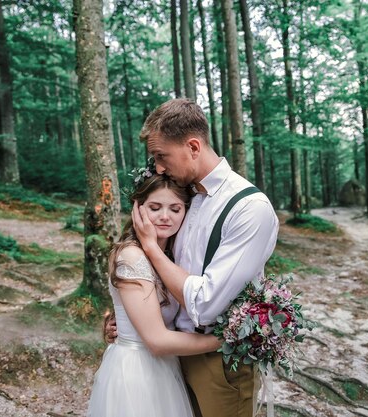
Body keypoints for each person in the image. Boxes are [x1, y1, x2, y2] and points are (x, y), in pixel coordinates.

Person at [108, 98, 279, 417]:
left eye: (162, 156)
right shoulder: (185, 195)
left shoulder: (248, 209)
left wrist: (150, 249)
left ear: (193, 146)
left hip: (219, 364)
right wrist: (132, 317)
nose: (157, 167)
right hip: (170, 359)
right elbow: (160, 274)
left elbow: (204, 305)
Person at [87, 172, 221, 417]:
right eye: (155, 207)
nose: (165, 217)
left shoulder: (170, 256)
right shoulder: (132, 256)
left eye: (175, 208)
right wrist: (225, 341)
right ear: (138, 209)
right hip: (137, 372)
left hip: (166, 369)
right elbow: (157, 341)